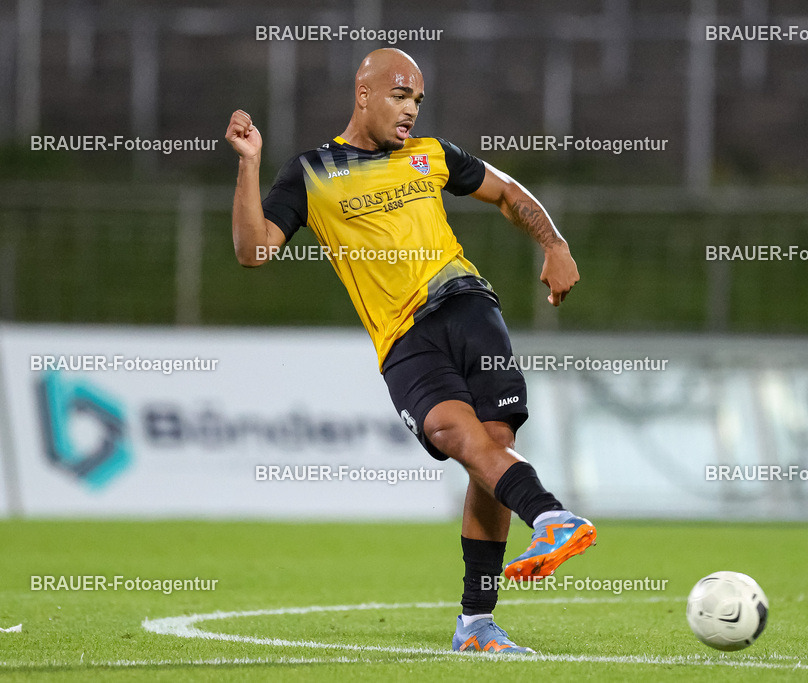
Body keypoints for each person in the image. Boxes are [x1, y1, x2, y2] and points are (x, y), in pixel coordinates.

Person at [224, 48, 595, 654]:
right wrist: (249, 164)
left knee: (492, 447)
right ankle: (551, 517)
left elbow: (506, 191)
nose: (410, 110)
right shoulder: (312, 172)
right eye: (400, 96)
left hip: (469, 304)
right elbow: (253, 250)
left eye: (417, 100)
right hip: (403, 337)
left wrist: (554, 244)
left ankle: (477, 624)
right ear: (363, 94)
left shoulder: (430, 154)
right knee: (454, 435)